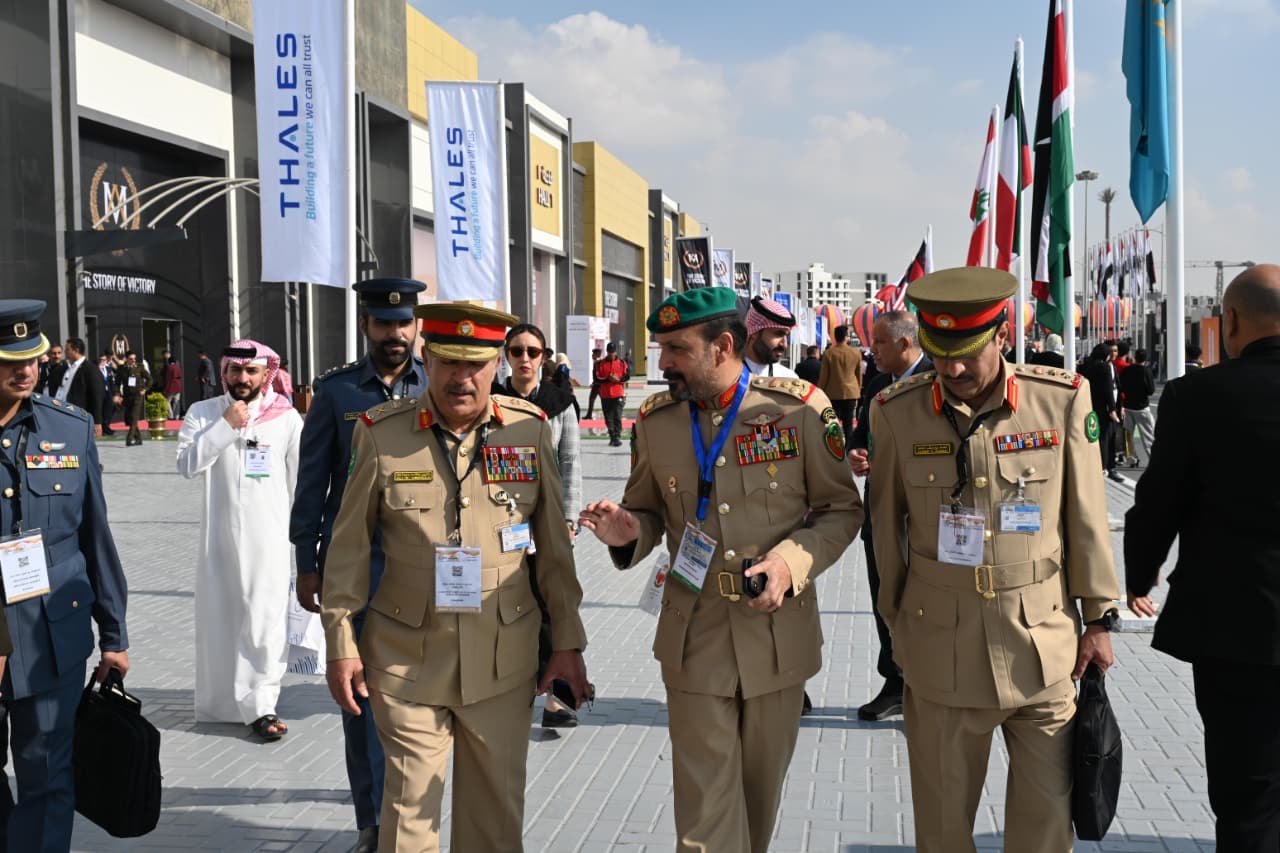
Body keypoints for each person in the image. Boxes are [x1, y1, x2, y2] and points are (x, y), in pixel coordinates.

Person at [579, 286, 861, 853]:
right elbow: (647, 510)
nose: (663, 363)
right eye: (661, 348)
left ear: (723, 346)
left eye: (677, 349)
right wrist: (628, 530)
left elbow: (841, 510)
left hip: (777, 637)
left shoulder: (799, 409)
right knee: (704, 816)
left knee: (757, 805)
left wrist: (789, 562)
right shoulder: (656, 422)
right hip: (694, 637)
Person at [321, 301, 590, 852]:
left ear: (497, 365)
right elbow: (348, 549)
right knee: (408, 818)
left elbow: (554, 556)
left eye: (476, 364)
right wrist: (340, 643)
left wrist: (568, 642)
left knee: (493, 820)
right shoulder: (381, 433)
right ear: (427, 358)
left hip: (503, 657)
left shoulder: (529, 430)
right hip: (405, 656)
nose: (461, 378)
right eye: (447, 362)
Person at [868, 267, 1119, 853]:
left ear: (1002, 336)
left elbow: (1086, 519)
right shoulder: (895, 412)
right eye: (939, 356)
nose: (952, 371)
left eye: (966, 356)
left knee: (1044, 829)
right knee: (943, 830)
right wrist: (897, 625)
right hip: (940, 653)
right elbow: (885, 532)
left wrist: (1099, 619)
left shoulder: (1060, 400)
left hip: (1042, 649)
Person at [1125, 264, 1280, 850]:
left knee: (1248, 794)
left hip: (1236, 627)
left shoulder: (1198, 397)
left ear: (1230, 321)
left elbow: (1158, 502)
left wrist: (1140, 576)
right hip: (1238, 627)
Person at [290, 278, 427, 852]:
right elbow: (312, 483)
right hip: (359, 569)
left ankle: (416, 815)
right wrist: (307, 562)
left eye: (403, 323)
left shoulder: (436, 384)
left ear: (415, 325)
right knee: (363, 700)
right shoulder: (337, 392)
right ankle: (372, 823)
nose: (395, 334)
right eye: (384, 323)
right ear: (366, 325)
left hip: (427, 569)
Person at [0, 300, 129, 853]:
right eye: (9, 361)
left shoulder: (69, 428)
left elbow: (94, 536)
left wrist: (115, 634)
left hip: (52, 637)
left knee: (49, 777)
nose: (24, 371)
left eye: (31, 359)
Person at [176, 341, 302, 741]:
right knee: (221, 618)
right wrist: (225, 426)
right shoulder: (203, 412)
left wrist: (306, 540)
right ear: (225, 372)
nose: (243, 378)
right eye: (235, 370)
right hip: (220, 540)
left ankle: (261, 705)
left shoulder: (286, 418)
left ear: (266, 374)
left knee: (265, 621)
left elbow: (299, 482)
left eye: (251, 371)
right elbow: (187, 465)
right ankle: (222, 705)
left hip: (270, 539)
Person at [498, 323, 583, 729]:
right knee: (504, 603)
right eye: (517, 351)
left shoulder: (560, 403)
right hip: (502, 520)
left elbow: (571, 463)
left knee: (555, 603)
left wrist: (569, 518)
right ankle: (507, 690)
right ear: (506, 356)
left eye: (533, 352)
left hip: (548, 520)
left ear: (544, 357)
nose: (525, 359)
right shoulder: (491, 400)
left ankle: (557, 697)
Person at [847, 310, 930, 721]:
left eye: (879, 342)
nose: (871, 349)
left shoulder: (938, 381)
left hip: (927, 517)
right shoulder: (878, 384)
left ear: (904, 343)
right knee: (885, 596)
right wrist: (856, 451)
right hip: (881, 511)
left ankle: (928, 687)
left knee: (928, 602)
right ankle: (895, 682)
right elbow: (862, 432)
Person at [1080, 343, 1125, 482]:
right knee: (1106, 438)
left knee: (1093, 436)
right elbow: (1108, 390)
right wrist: (1112, 409)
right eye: (1111, 352)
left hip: (1088, 406)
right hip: (1104, 409)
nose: (1113, 354)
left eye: (1116, 351)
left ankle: (1098, 466)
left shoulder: (1085, 366)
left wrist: (1120, 406)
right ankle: (1105, 467)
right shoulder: (1104, 367)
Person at [818, 324, 863, 445]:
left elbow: (824, 376)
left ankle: (833, 447)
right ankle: (849, 447)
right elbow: (859, 374)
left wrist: (819, 391)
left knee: (831, 422)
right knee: (848, 423)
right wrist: (858, 389)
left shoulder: (828, 353)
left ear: (835, 337)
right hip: (851, 392)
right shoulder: (856, 352)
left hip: (832, 393)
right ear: (846, 337)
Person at [55, 338, 104, 435]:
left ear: (76, 350)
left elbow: (97, 396)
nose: (65, 352)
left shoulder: (90, 369)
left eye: (68, 349)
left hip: (79, 417)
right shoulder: (67, 368)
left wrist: (97, 422)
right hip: (65, 414)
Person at [1117, 347, 1156, 467]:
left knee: (1128, 435)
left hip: (1128, 406)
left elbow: (1121, 386)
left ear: (1135, 357)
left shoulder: (1127, 370)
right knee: (1148, 435)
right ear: (1145, 359)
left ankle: (1132, 459)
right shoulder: (1146, 371)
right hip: (1142, 407)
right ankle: (1153, 460)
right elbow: (1150, 390)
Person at [743, 295, 799, 378]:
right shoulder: (729, 377)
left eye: (786, 336)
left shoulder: (788, 377)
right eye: (779, 334)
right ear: (755, 333)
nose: (784, 344)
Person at [595, 341, 628, 446]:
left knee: (617, 416)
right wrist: (608, 379)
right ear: (607, 352)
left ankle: (617, 437)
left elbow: (627, 376)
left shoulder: (622, 363)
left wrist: (618, 380)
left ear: (616, 352)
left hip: (618, 394)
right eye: (609, 352)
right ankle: (612, 436)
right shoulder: (600, 364)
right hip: (605, 395)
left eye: (612, 352)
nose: (611, 354)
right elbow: (597, 378)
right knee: (608, 418)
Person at [114, 351, 146, 446]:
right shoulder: (121, 369)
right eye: (131, 359)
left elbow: (150, 379)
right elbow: (117, 383)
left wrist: (144, 389)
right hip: (127, 396)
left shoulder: (139, 367)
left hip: (137, 396)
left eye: (134, 359)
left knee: (134, 417)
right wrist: (117, 394)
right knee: (129, 419)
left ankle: (129, 439)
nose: (133, 360)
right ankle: (139, 438)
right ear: (126, 359)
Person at [98, 352, 117, 435]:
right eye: (101, 360)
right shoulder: (96, 368)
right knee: (101, 410)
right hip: (100, 392)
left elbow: (112, 382)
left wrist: (114, 394)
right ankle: (102, 427)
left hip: (108, 392)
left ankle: (106, 426)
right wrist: (98, 369)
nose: (102, 361)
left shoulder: (108, 368)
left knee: (109, 409)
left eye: (104, 360)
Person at [162, 350, 183, 418]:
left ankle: (171, 415)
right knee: (177, 402)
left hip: (171, 387)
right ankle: (177, 415)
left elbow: (168, 379)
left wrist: (166, 389)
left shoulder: (169, 368)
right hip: (178, 387)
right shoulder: (178, 367)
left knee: (167, 401)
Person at [583, 347, 602, 420]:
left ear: (597, 355)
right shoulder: (599, 362)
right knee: (600, 399)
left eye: (593, 354)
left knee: (592, 399)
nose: (592, 355)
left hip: (597, 384)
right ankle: (589, 414)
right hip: (598, 384)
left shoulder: (598, 362)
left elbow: (597, 374)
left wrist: (594, 383)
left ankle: (589, 415)